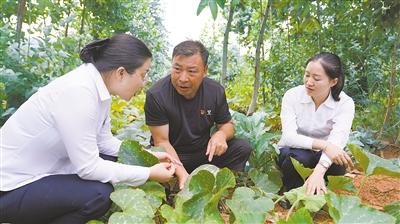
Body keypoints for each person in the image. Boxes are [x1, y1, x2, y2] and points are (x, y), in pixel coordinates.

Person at [0, 34, 178, 224]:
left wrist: (146, 154)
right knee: (99, 195)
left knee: (110, 160)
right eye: (143, 75)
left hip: (40, 172)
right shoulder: (79, 92)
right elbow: (88, 168)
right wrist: (148, 174)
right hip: (10, 186)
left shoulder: (96, 87)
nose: (144, 83)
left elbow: (103, 142)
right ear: (121, 73)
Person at [144, 40, 252, 189]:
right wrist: (182, 174)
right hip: (171, 155)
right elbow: (161, 142)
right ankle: (177, 183)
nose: (182, 78)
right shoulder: (156, 95)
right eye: (177, 69)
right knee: (152, 163)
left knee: (242, 147)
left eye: (192, 71)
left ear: (205, 70)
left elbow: (227, 125)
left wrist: (221, 135)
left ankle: (223, 187)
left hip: (203, 153)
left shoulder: (215, 91)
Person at [277, 52, 355, 197]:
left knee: (338, 163)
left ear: (333, 82)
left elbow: (338, 140)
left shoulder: (345, 103)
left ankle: (319, 187)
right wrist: (325, 145)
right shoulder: (292, 95)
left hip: (323, 157)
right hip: (295, 151)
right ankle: (292, 193)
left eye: (316, 78)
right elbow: (288, 137)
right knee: (296, 159)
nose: (309, 82)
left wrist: (320, 169)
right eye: (307, 75)